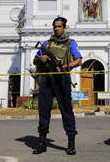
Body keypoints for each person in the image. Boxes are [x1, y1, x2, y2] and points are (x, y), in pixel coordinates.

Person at [32, 17, 82, 155]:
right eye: (55, 26)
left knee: (66, 111)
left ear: (64, 28)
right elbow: (35, 60)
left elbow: (79, 60)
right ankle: (42, 143)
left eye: (59, 26)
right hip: (47, 80)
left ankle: (71, 144)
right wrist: (40, 59)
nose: (56, 29)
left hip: (62, 80)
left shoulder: (70, 43)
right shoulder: (46, 44)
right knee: (43, 111)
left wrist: (66, 66)